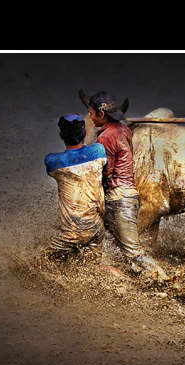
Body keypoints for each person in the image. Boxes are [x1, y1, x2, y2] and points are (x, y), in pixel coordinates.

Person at [86, 90, 165, 277]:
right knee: (91, 235)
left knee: (134, 253)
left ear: (101, 114)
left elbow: (106, 171)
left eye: (90, 113)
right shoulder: (123, 129)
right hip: (127, 195)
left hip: (118, 199)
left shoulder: (105, 137)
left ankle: (167, 280)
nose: (90, 117)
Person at [39, 113, 121, 277]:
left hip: (75, 232)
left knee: (38, 263)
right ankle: (124, 280)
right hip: (97, 227)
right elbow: (104, 169)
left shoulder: (53, 161)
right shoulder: (98, 151)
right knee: (94, 268)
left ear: (61, 135)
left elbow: (59, 166)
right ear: (84, 134)